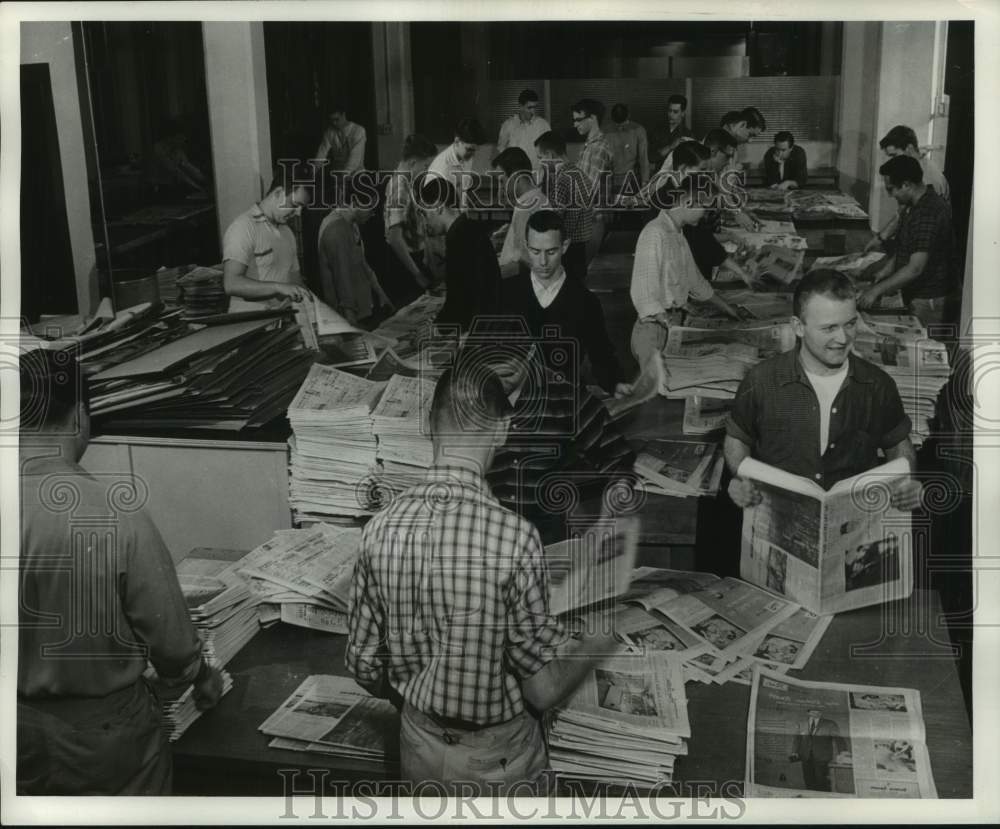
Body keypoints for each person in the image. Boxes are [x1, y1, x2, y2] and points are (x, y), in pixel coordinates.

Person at [346, 364, 619, 794]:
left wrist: (423, 690)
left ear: (428, 427)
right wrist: (596, 645)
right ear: (502, 430)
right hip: (499, 761)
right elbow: (543, 692)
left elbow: (364, 665)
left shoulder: (379, 529)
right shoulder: (515, 537)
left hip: (417, 747)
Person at [17, 349, 224, 794]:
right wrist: (202, 677)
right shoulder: (111, 514)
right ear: (81, 415)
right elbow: (171, 643)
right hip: (102, 739)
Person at [724, 269, 923, 507]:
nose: (842, 338)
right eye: (829, 328)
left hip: (851, 520)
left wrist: (906, 482)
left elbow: (898, 444)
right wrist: (740, 478)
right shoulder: (761, 381)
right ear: (798, 327)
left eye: (850, 324)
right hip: (779, 512)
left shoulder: (878, 385)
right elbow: (737, 439)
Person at [497, 210, 632, 398]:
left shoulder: (585, 301)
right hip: (512, 403)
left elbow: (602, 355)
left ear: (565, 246)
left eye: (551, 252)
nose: (543, 262)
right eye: (536, 252)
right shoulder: (505, 293)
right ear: (527, 247)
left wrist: (615, 383)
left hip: (564, 400)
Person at [630, 176, 741, 365]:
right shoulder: (655, 233)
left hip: (671, 322)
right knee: (659, 388)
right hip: (653, 331)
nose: (706, 214)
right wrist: (672, 326)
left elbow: (695, 280)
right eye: (705, 208)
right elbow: (644, 295)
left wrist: (728, 309)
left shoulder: (679, 234)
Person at [857, 155, 962, 329]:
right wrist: (887, 269)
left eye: (891, 190)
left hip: (931, 299)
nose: (890, 195)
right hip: (917, 293)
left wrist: (876, 290)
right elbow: (910, 246)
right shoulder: (915, 203)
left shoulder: (928, 212)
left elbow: (915, 268)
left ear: (906, 185)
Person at [222, 163, 314, 312]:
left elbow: (296, 283)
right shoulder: (243, 227)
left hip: (281, 321)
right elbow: (231, 283)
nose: (297, 213)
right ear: (278, 192)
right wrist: (278, 287)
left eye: (301, 207)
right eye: (294, 204)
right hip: (250, 325)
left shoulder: (287, 233)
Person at [419, 177, 502, 334]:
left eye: (425, 214)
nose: (425, 222)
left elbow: (460, 299)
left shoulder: (458, 236)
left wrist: (437, 329)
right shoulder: (467, 225)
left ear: (437, 207)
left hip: (479, 328)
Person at [864, 125, 952, 254]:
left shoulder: (929, 178)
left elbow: (927, 231)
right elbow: (902, 212)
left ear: (909, 148)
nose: (893, 161)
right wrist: (881, 238)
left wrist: (883, 238)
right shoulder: (911, 170)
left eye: (894, 155)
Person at [316, 186, 394, 326]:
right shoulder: (336, 229)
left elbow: (362, 263)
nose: (372, 214)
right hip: (348, 316)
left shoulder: (351, 224)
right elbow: (342, 277)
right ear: (354, 203)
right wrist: (350, 319)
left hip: (361, 311)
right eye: (370, 208)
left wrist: (382, 294)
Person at [383, 133, 439, 307]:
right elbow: (394, 237)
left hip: (413, 259)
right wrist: (417, 274)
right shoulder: (399, 187)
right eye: (426, 166)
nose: (427, 171)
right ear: (413, 163)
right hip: (404, 265)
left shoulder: (408, 182)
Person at [535, 130, 596, 282]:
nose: (540, 163)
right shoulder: (579, 174)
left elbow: (554, 219)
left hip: (567, 251)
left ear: (549, 155)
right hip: (582, 246)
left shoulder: (561, 179)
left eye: (540, 158)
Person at [491, 147, 551, 278]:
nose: (500, 190)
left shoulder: (526, 207)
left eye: (502, 181)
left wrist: (488, 277)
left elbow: (522, 265)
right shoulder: (539, 199)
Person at [572, 98, 613, 266]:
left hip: (591, 221)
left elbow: (586, 189)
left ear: (593, 118)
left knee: (585, 272)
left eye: (578, 120)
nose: (575, 124)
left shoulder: (599, 148)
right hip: (585, 219)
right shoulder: (589, 145)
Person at [428, 116, 486, 208]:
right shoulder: (444, 168)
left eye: (475, 150)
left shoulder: (466, 156)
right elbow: (442, 210)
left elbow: (462, 192)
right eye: (469, 150)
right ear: (457, 141)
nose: (473, 155)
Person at [151, 116, 209, 198]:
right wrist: (198, 188)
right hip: (158, 190)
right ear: (171, 137)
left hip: (171, 188)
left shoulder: (177, 150)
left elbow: (187, 166)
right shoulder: (158, 149)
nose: (184, 139)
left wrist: (205, 179)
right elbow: (177, 172)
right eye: (181, 136)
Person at [789, 709, 845, 792]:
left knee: (822, 782)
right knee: (808, 782)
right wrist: (794, 752)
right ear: (807, 712)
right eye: (812, 711)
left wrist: (844, 752)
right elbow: (797, 739)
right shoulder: (801, 723)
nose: (815, 713)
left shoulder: (830, 724)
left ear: (821, 712)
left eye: (817, 711)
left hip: (823, 758)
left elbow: (839, 739)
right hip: (806, 757)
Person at [496, 88, 551, 172]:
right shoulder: (508, 125)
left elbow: (550, 153)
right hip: (515, 174)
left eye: (535, 107)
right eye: (529, 107)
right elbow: (501, 151)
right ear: (520, 106)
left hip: (537, 175)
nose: (533, 111)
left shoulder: (543, 125)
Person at [605, 103, 650, 190]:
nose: (620, 128)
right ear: (628, 115)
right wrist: (645, 182)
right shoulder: (639, 130)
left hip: (616, 181)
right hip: (627, 180)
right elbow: (643, 159)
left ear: (611, 117)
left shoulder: (604, 132)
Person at [313, 105, 367, 174]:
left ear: (343, 115)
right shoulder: (330, 132)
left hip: (356, 174)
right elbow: (322, 151)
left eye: (337, 119)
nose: (334, 123)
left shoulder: (359, 131)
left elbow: (355, 157)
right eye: (332, 120)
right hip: (337, 174)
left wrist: (345, 173)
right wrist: (315, 168)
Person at [649, 94, 694, 165]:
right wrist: (670, 146)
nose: (671, 114)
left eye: (675, 112)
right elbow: (651, 157)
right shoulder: (657, 130)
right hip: (659, 174)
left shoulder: (688, 135)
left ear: (683, 113)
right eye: (669, 110)